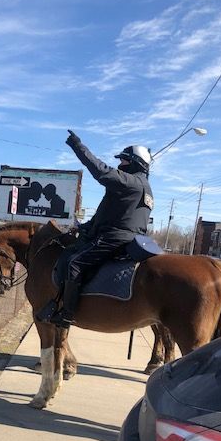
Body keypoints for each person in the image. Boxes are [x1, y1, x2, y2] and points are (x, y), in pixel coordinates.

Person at [39, 130, 153, 329]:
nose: (120, 165)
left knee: (74, 263)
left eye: (124, 161)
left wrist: (77, 145)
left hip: (115, 238)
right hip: (130, 237)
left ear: (135, 163)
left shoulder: (129, 182)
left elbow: (100, 170)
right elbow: (107, 215)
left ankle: (67, 315)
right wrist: (84, 228)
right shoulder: (144, 188)